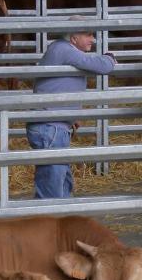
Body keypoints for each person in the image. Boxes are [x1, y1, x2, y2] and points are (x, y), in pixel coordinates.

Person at [28, 25, 116, 199]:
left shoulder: (62, 49)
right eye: (88, 35)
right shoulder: (63, 48)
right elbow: (99, 65)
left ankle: (59, 223)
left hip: (53, 126)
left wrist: (71, 116)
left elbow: (59, 85)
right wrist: (109, 59)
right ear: (73, 38)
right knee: (51, 191)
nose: (93, 39)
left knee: (61, 184)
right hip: (51, 127)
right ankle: (49, 225)